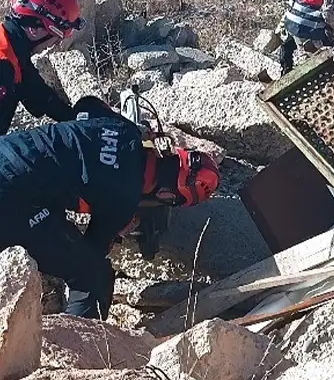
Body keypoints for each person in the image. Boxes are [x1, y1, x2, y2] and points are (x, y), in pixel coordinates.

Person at [0, 115, 221, 320]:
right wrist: (114, 231)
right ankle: (74, 353)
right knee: (92, 276)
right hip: (11, 198)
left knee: (52, 216)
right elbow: (92, 250)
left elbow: (87, 107)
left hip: (9, 154)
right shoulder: (124, 198)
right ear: (168, 196)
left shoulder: (124, 127)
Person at [0, 0, 83, 134]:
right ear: (35, 30)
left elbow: (41, 97)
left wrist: (85, 121)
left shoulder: (14, 52)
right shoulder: (4, 65)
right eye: (56, 36)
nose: (55, 45)